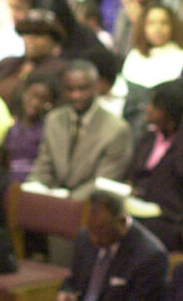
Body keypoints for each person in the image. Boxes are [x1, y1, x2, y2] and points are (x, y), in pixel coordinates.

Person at [127, 80, 183, 250]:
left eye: (156, 106)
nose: (148, 109)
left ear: (171, 112)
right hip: (137, 207)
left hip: (169, 219)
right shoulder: (149, 136)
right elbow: (133, 173)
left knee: (130, 229)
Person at [27, 60, 133, 200]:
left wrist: (68, 201)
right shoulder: (54, 119)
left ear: (96, 87)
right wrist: (32, 188)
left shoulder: (117, 130)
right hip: (53, 200)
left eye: (82, 89)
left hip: (91, 207)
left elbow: (103, 183)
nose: (76, 95)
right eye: (70, 89)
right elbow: (44, 166)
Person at [57, 190, 168, 301]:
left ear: (122, 222)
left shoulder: (151, 257)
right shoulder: (84, 238)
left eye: (101, 230)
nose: (94, 239)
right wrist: (66, 292)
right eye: (91, 229)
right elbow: (73, 280)